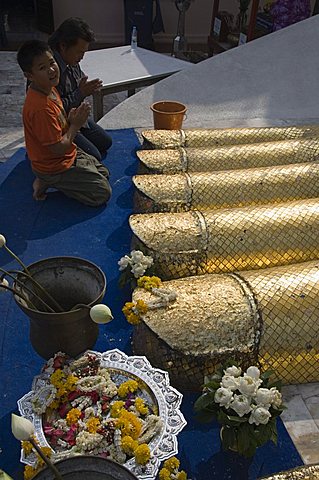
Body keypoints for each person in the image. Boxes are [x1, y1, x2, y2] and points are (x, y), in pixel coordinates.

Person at [17, 39, 111, 207]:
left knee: (104, 173)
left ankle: (51, 179)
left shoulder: (49, 88)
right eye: (42, 68)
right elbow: (58, 147)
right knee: (102, 193)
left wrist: (71, 119)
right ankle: (47, 180)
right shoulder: (40, 108)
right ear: (29, 76)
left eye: (51, 62)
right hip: (53, 165)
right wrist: (75, 124)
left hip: (67, 153)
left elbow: (59, 126)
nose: (51, 70)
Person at [48, 17, 112, 162]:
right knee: (94, 156)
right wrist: (81, 93)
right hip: (61, 125)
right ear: (63, 46)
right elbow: (53, 110)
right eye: (79, 52)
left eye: (84, 52)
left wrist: (88, 88)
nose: (82, 57)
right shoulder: (50, 69)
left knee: (106, 142)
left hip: (75, 118)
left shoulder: (71, 60)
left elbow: (79, 81)